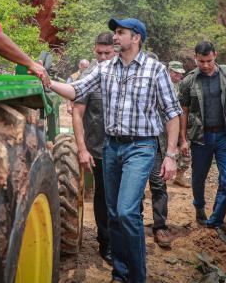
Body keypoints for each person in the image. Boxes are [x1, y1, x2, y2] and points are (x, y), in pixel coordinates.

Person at [48, 17, 181, 283]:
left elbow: (172, 114)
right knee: (113, 216)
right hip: (111, 147)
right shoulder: (105, 69)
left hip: (141, 147)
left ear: (136, 38)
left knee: (126, 211)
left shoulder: (155, 70)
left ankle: (137, 276)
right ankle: (120, 273)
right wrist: (48, 82)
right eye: (115, 32)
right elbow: (76, 90)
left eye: (121, 32)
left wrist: (171, 154)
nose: (115, 37)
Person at [178, 41, 226, 244]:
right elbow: (183, 110)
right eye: (201, 61)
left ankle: (215, 221)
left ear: (215, 55)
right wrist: (183, 139)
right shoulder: (188, 81)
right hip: (201, 137)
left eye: (209, 60)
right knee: (198, 178)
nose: (206, 65)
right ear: (195, 58)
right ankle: (199, 206)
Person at [72, 32, 115, 265]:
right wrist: (82, 148)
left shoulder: (124, 73)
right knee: (105, 196)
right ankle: (105, 243)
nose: (103, 57)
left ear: (115, 50)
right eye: (99, 53)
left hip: (126, 147)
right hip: (99, 148)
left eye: (107, 53)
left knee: (130, 198)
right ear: (94, 50)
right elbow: (77, 114)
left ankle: (126, 241)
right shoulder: (89, 76)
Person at [143, 52, 173, 249]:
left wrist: (173, 149)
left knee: (158, 184)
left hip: (157, 146)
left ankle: (160, 226)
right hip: (134, 144)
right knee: (133, 187)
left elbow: (173, 116)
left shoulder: (165, 89)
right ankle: (135, 225)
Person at [167, 60, 191, 188]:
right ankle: (160, 177)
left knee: (185, 150)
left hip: (181, 122)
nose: (179, 76)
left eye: (180, 73)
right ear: (169, 71)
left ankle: (180, 176)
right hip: (166, 124)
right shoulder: (163, 84)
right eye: (176, 73)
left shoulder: (182, 86)